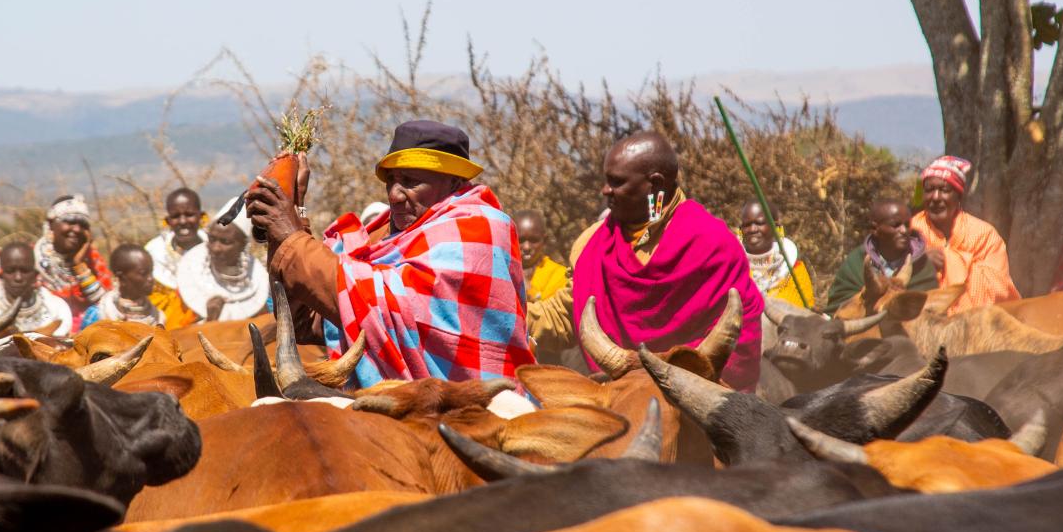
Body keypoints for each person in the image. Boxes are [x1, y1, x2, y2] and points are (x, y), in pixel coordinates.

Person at [250, 120, 533, 385]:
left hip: (476, 408)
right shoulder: (382, 236)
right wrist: (295, 209)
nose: (394, 194)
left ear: (454, 183)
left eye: (410, 181)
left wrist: (292, 236)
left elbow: (373, 303)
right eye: (391, 180)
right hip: (395, 405)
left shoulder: (479, 229)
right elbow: (310, 321)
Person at [560, 130, 763, 389]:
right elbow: (568, 307)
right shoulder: (592, 243)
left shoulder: (713, 243)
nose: (605, 190)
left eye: (617, 182)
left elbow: (740, 340)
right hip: (617, 391)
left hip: (698, 393)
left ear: (654, 184)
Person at [911, 156, 1020, 313]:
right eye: (929, 190)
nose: (935, 197)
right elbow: (889, 275)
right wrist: (917, 261)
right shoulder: (910, 231)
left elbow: (999, 289)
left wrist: (948, 259)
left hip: (975, 324)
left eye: (944, 190)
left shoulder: (984, 235)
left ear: (959, 196)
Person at [823, 194, 939, 314]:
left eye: (907, 225)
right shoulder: (856, 261)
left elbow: (931, 311)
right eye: (895, 225)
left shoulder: (922, 264)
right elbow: (838, 309)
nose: (904, 231)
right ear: (875, 229)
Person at [175, 201, 270, 322]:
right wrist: (210, 321)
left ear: (242, 245)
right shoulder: (188, 280)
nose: (216, 248)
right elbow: (177, 334)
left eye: (225, 242)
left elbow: (262, 330)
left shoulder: (257, 287)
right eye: (212, 239)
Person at [36, 197, 114, 328]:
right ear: (51, 224)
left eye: (83, 225)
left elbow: (106, 307)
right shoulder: (31, 259)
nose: (77, 229)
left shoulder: (92, 259)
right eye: (70, 221)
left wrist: (78, 265)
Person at [0, 242, 75, 337]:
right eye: (10, 271)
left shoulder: (56, 308)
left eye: (24, 271)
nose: (18, 278)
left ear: (35, 274)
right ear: (1, 275)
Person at [737, 200, 815, 309]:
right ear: (740, 230)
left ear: (776, 227)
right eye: (746, 225)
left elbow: (805, 316)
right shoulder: (733, 269)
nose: (752, 229)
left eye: (759, 223)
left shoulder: (794, 270)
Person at [517, 210, 574, 359]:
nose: (527, 247)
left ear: (545, 240)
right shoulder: (501, 271)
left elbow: (555, 319)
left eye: (534, 240)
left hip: (548, 355)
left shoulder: (559, 274)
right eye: (520, 240)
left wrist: (530, 291)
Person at [93, 243, 187, 328]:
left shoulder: (158, 319)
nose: (150, 278)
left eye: (151, 272)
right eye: (143, 273)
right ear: (122, 277)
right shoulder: (99, 315)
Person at [145, 188, 205, 291]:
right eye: (175, 216)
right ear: (168, 221)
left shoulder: (218, 249)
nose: (182, 221)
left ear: (201, 216)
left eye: (189, 214)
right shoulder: (154, 253)